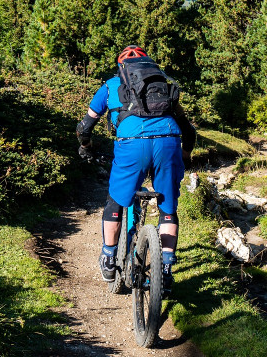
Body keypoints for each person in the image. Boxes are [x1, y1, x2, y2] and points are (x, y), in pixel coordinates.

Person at [76, 45, 196, 295]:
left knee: (116, 201)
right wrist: (184, 157)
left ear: (123, 68)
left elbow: (85, 127)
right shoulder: (164, 86)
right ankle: (165, 269)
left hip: (131, 144)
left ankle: (109, 257)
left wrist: (86, 147)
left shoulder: (110, 86)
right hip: (169, 142)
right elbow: (189, 132)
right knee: (168, 209)